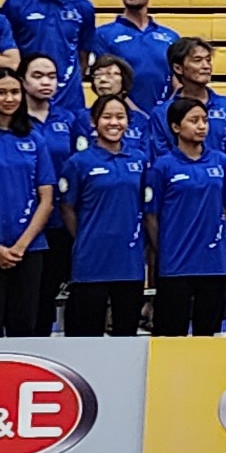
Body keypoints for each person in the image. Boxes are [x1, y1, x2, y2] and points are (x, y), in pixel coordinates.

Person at [0, 71, 59, 338]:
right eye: (1, 92)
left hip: (30, 247)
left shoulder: (34, 139)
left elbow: (47, 199)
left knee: (25, 325)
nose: (9, 98)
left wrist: (21, 246)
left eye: (15, 92)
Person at [143, 96, 226, 336]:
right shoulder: (162, 167)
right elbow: (151, 216)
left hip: (212, 264)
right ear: (176, 127)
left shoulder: (222, 163)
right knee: (171, 334)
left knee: (207, 333)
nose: (202, 126)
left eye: (205, 120)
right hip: (176, 264)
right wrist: (163, 250)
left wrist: (223, 249)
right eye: (193, 120)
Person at [58, 93, 151, 336]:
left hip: (129, 262)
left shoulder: (139, 160)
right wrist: (85, 237)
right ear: (94, 122)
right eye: (107, 117)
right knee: (88, 334)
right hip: (91, 261)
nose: (114, 123)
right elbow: (67, 207)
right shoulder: (79, 163)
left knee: (127, 334)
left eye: (120, 117)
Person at [0, 0, 94, 110]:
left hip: (71, 102)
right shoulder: (16, 6)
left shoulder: (83, 7)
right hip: (27, 101)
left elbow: (83, 55)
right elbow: (10, 55)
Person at [91, 0, 182, 97]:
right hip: (123, 115)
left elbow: (178, 82)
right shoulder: (103, 35)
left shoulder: (170, 37)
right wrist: (137, 115)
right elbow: (106, 85)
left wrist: (165, 112)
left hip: (164, 115)